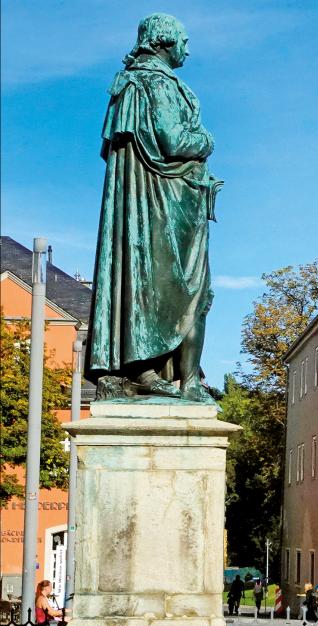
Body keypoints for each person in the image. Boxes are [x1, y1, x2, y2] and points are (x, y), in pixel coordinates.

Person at [85, 13, 222, 402]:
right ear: (164, 41)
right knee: (180, 289)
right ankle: (150, 372)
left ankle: (151, 371)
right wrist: (207, 140)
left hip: (157, 200)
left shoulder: (133, 83)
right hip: (164, 203)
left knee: (155, 284)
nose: (188, 49)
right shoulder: (156, 83)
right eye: (184, 40)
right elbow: (174, 140)